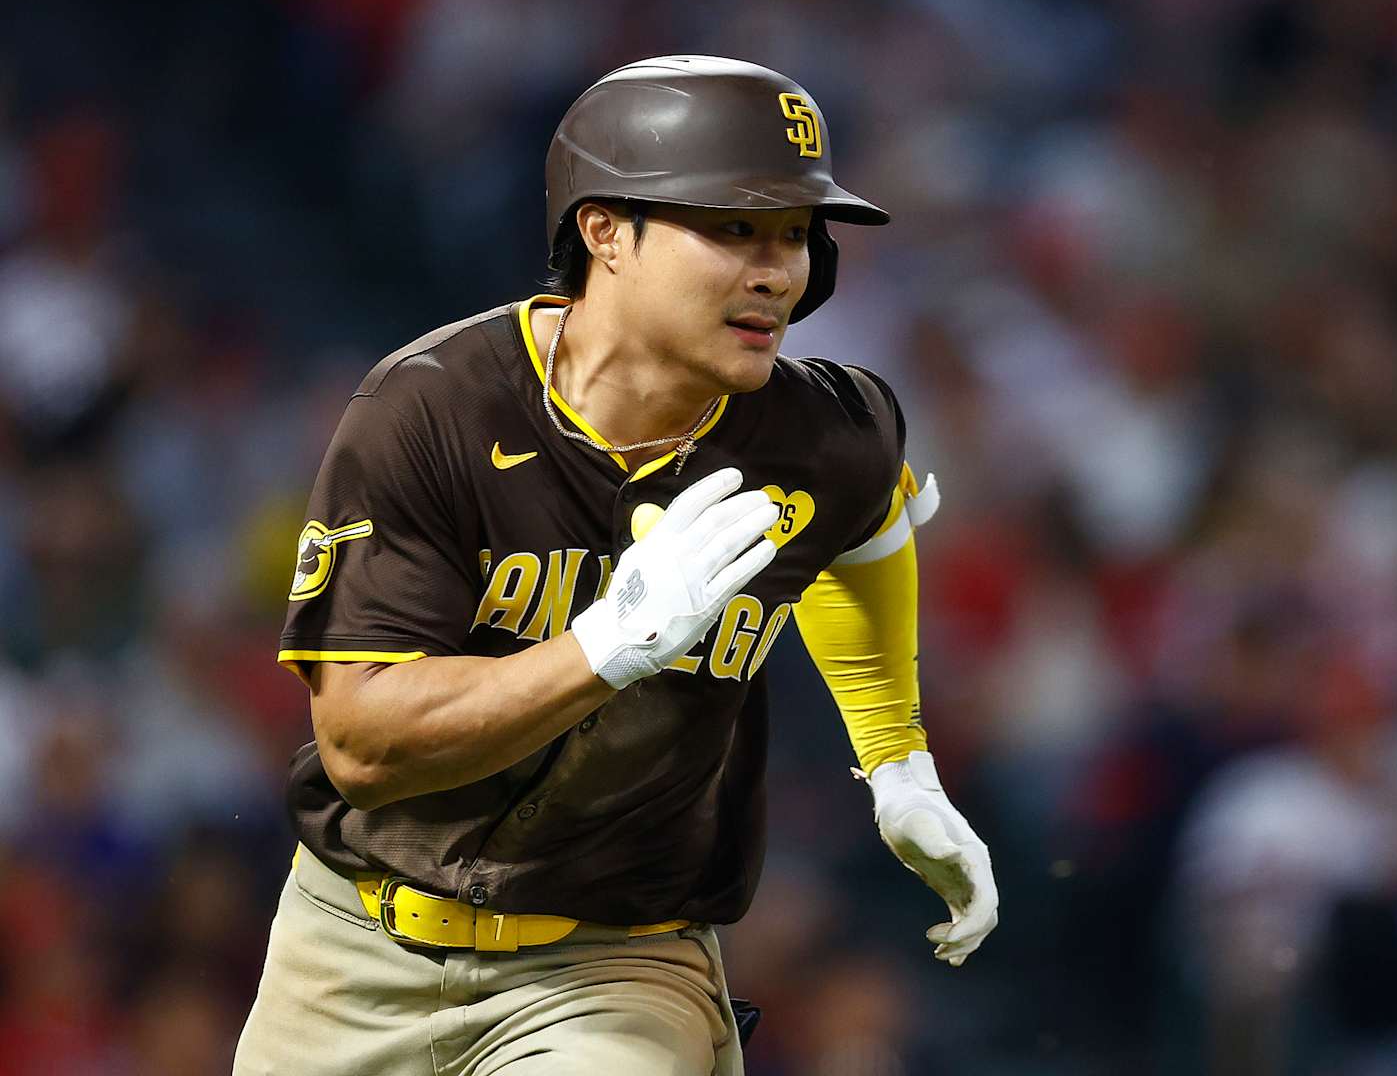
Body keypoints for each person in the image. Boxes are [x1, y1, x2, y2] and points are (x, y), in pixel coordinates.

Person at [234, 55, 999, 1076]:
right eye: (732, 227)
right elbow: (364, 745)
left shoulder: (824, 430)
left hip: (615, 971)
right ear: (603, 230)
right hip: (351, 949)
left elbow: (870, 526)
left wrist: (897, 758)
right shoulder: (433, 410)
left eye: (793, 234)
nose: (777, 270)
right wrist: (603, 648)